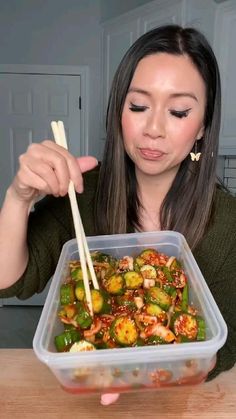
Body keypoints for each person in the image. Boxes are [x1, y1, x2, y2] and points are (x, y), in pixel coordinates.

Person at [0, 24, 236, 406]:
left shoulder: (228, 222)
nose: (154, 129)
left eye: (178, 111)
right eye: (138, 106)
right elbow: (9, 281)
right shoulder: (82, 192)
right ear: (118, 111)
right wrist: (17, 198)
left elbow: (228, 338)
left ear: (202, 128)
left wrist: (142, 368)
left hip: (188, 403)